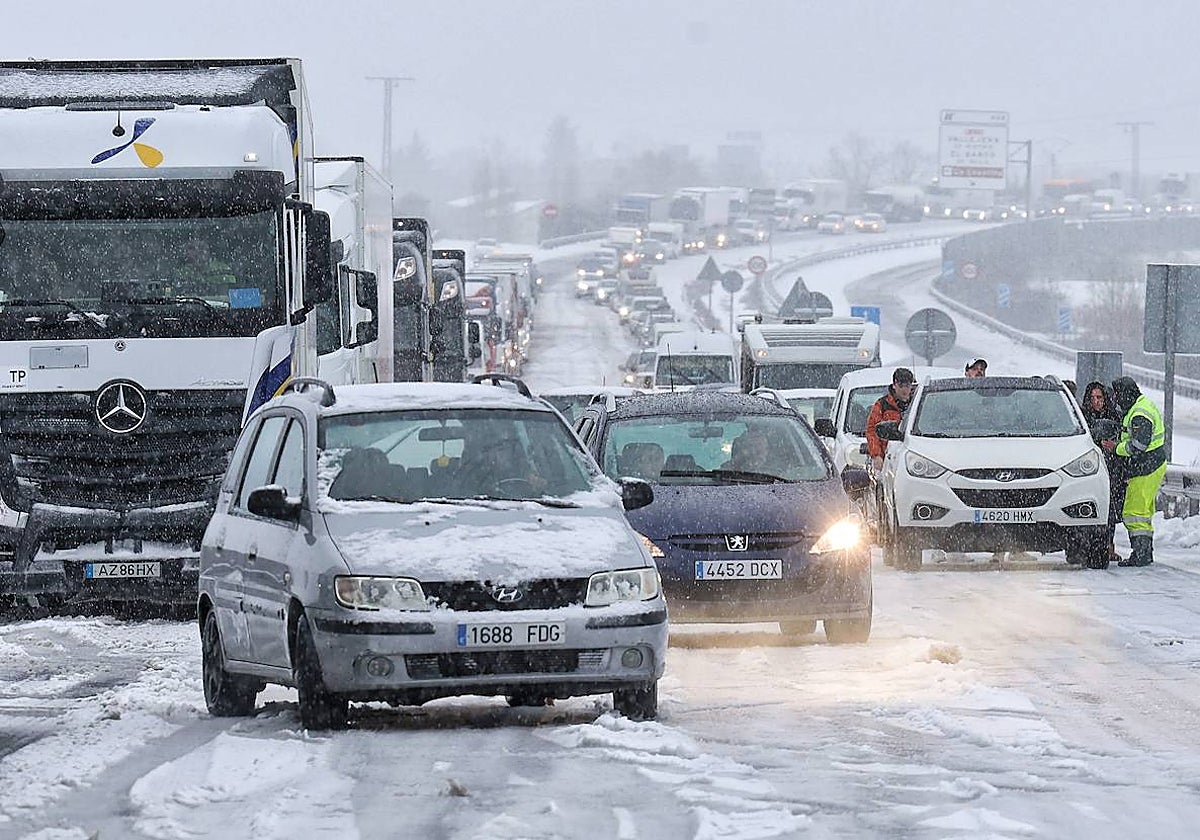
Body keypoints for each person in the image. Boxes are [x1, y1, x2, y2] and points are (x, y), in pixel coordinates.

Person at [1103, 377, 1166, 567]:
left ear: (1124, 394)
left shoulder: (1139, 413)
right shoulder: (1141, 405)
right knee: (1143, 514)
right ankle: (1144, 553)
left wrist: (1115, 448)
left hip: (1146, 467)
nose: (1115, 399)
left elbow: (1138, 444)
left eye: (1116, 394)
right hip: (1150, 465)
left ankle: (1141, 554)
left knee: (1134, 512)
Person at [1081, 381, 1126, 563]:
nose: (1096, 401)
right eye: (1092, 398)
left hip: (1112, 468)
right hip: (1089, 468)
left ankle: (1109, 545)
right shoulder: (1082, 418)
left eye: (1099, 397)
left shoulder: (1114, 416)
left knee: (1110, 509)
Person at [865, 367, 915, 472]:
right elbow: (872, 430)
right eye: (901, 386)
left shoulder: (918, 405)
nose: (904, 390)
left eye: (907, 386)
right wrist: (877, 455)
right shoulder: (882, 405)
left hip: (913, 459)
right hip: (888, 460)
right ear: (894, 385)